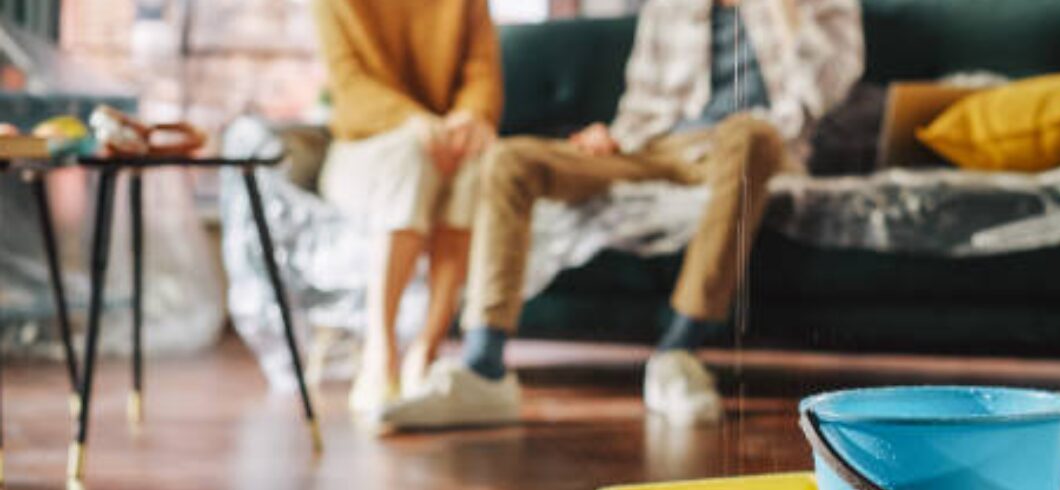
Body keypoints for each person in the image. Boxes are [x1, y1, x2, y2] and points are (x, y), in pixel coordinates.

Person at [380, 0, 864, 430]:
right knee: (511, 161)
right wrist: (613, 138)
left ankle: (678, 351)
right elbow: (642, 103)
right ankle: (483, 368)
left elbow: (820, 91)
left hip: (748, 147)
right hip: (658, 147)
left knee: (749, 134)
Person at [312, 0, 501, 414]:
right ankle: (381, 355)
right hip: (365, 147)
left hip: (448, 142)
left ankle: (426, 351)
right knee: (411, 158)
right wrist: (414, 120)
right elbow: (349, 83)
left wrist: (469, 118)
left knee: (482, 169)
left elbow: (482, 71)